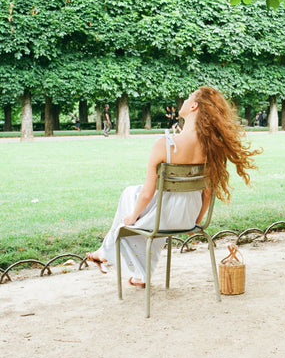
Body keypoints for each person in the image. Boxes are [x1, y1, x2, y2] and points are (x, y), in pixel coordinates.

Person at [86, 86, 261, 287]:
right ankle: (132, 270)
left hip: (164, 217)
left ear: (194, 106)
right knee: (151, 209)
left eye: (188, 97)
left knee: (133, 200)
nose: (184, 101)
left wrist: (132, 216)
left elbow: (147, 193)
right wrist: (195, 221)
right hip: (186, 218)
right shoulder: (213, 149)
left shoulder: (165, 144)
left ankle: (112, 256)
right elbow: (207, 193)